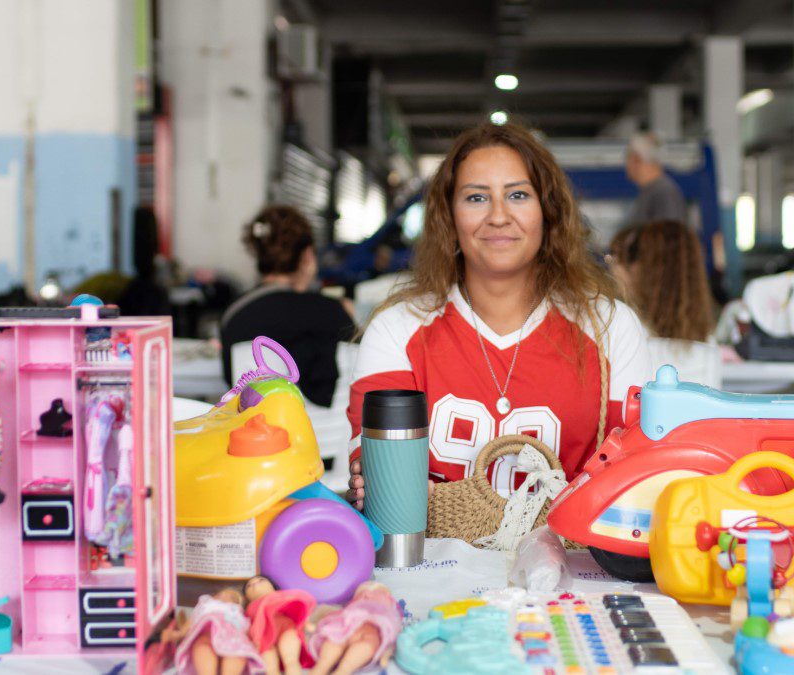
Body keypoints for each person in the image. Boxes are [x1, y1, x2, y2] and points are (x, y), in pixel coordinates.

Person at [345, 122, 654, 509]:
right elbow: (378, 479)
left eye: (518, 195)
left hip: (571, 565)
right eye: (476, 198)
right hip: (427, 564)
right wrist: (378, 482)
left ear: (548, 211)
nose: (498, 216)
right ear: (448, 216)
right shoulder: (397, 327)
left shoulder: (609, 325)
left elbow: (633, 472)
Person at [220, 206, 355, 407]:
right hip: (333, 436)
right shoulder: (335, 310)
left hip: (257, 433)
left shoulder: (234, 314)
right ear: (308, 256)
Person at [609, 221, 719, 387]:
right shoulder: (709, 346)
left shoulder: (623, 335)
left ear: (646, 269)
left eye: (620, 258)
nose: (614, 267)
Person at [625, 132, 687, 227]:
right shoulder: (650, 191)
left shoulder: (664, 191)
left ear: (637, 159)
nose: (626, 165)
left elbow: (669, 235)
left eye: (628, 158)